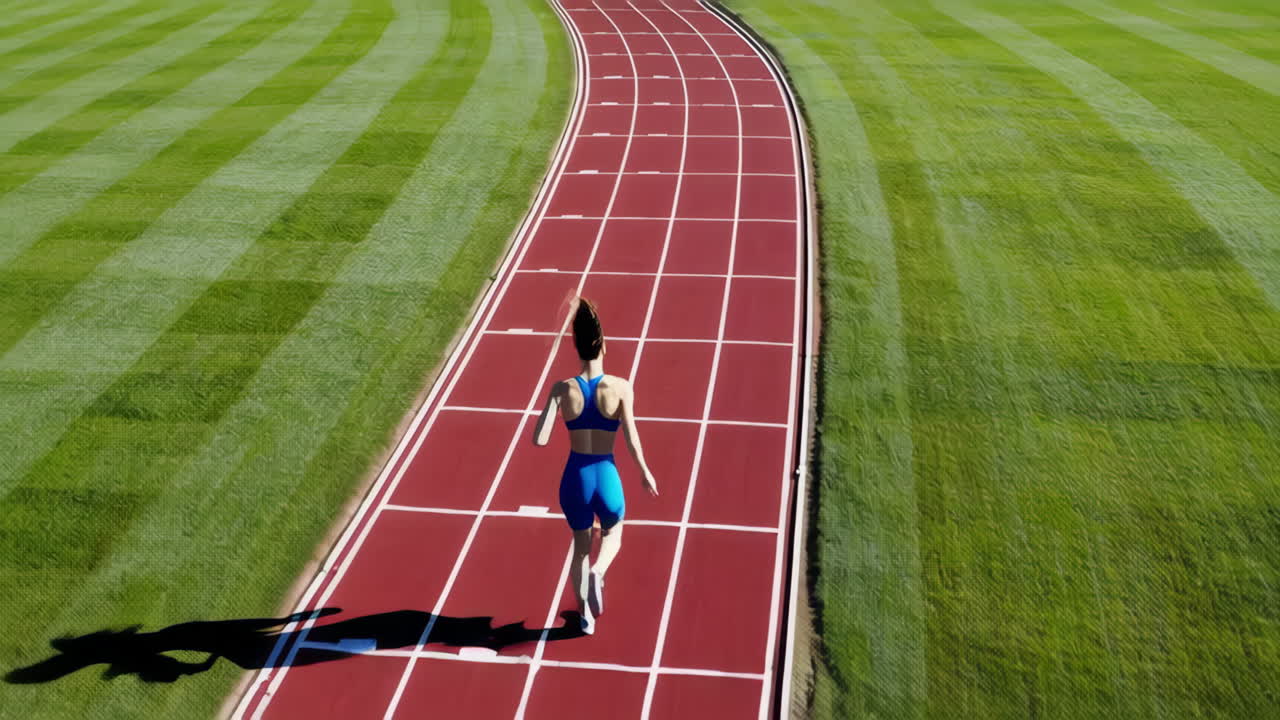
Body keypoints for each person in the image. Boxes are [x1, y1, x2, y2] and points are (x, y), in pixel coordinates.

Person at [532, 297, 659, 634]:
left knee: (579, 546)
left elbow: (540, 439)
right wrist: (645, 471)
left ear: (576, 346)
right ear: (603, 344)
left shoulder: (562, 388)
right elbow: (632, 438)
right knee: (614, 532)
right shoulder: (621, 387)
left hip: (575, 478)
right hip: (605, 473)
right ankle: (599, 571)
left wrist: (554, 399)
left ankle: (584, 616)